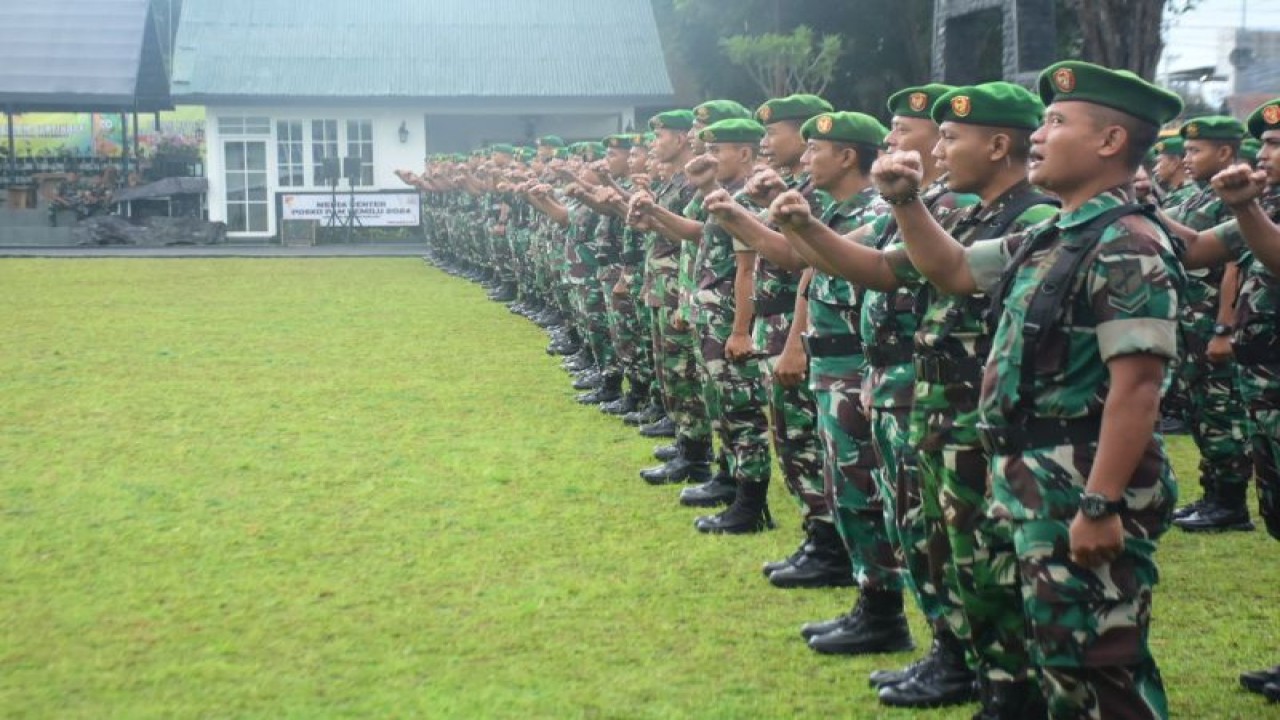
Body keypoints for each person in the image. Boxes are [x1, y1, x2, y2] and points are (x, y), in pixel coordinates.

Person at [849, 60, 1185, 718]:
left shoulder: (1126, 244)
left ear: (1111, 141)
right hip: (1033, 480)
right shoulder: (1053, 235)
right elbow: (950, 268)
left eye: (1056, 122)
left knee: (1096, 672)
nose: (1039, 134)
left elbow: (1139, 387)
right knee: (1055, 662)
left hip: (1079, 481)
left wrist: (1100, 503)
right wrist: (906, 200)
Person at [1161, 116, 1256, 532]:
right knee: (1201, 411)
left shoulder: (1234, 199)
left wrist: (1223, 329)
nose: (1187, 158)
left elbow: (1235, 264)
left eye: (1195, 151)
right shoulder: (1200, 197)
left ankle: (1230, 505)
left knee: (1221, 412)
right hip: (1191, 323)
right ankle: (1213, 495)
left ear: (1225, 152)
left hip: (1213, 323)